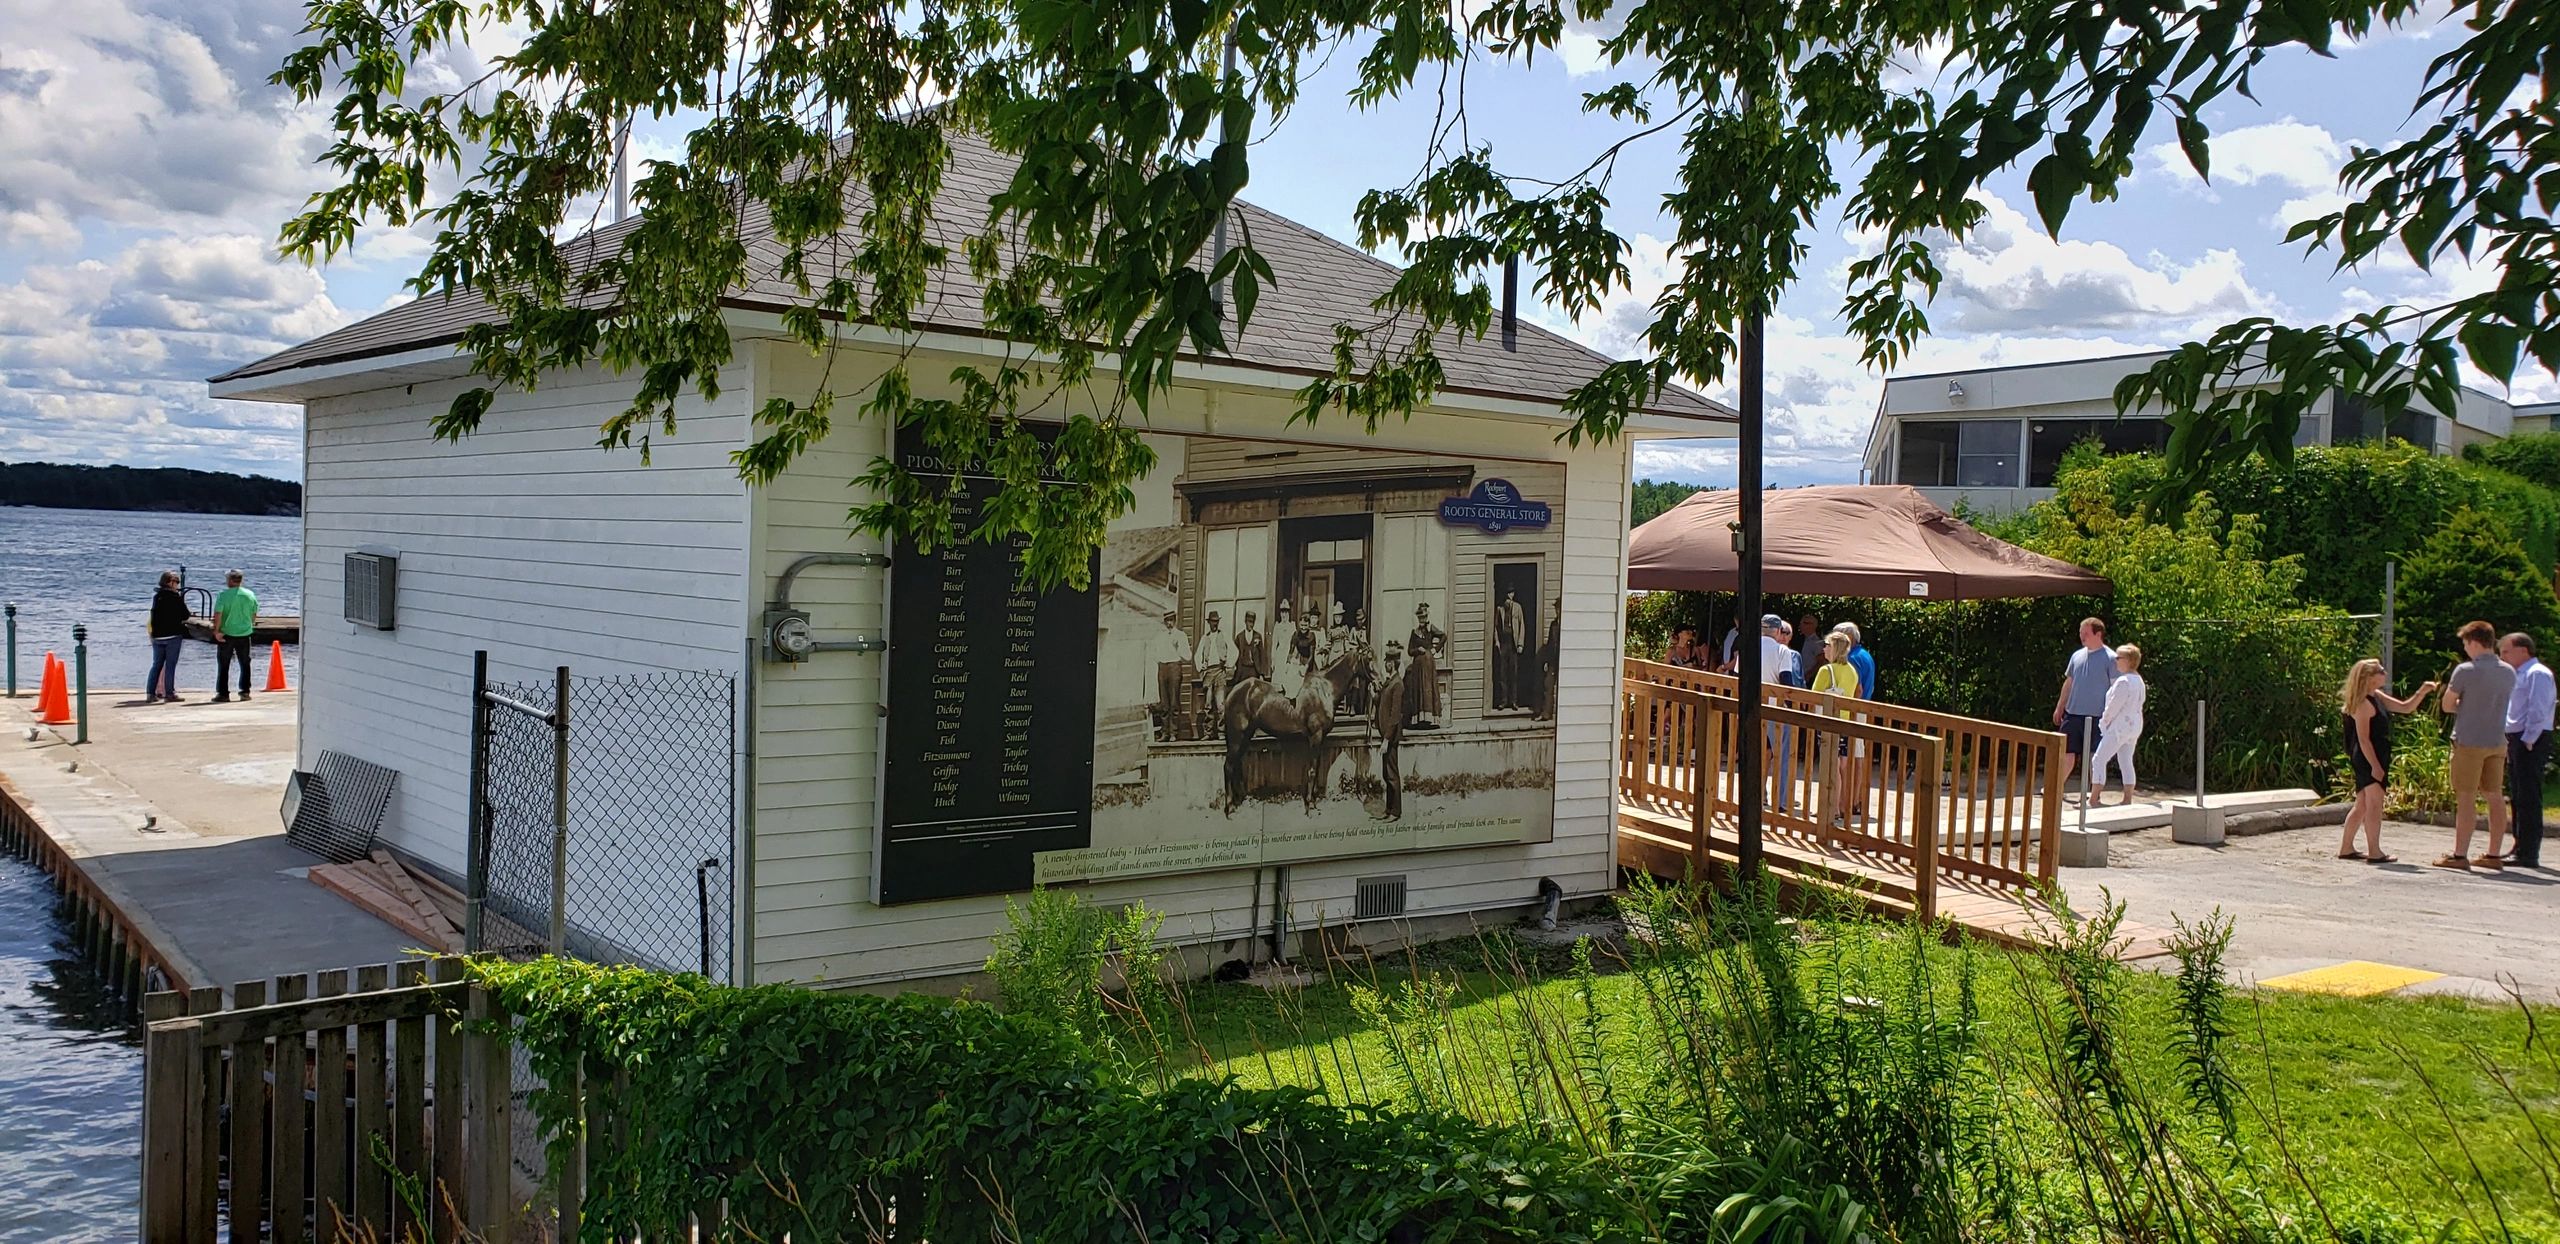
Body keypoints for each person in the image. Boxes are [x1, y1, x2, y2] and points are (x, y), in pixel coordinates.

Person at [2336, 657, 2437, 863]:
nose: (2385, 673)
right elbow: (2363, 740)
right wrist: (2375, 766)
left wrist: (2422, 692)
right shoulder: (2362, 704)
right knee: (2374, 804)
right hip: (2368, 756)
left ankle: (2346, 848)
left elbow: (2405, 708)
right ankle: (2375, 851)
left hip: (2377, 754)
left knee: (2362, 805)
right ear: (2368, 678)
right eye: (2380, 670)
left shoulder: (2376, 696)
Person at [2437, 620, 2515, 871]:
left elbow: (2447, 705)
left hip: (2469, 740)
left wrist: (2465, 705)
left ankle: (2460, 855)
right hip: (2497, 740)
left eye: (2465, 644)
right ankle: (2494, 854)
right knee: (2495, 796)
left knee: (2466, 797)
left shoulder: (2465, 670)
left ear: (2473, 642)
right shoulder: (2508, 671)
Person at [2502, 632, 2553, 869]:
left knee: (2529, 795)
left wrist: (2529, 738)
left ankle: (2529, 852)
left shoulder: (2537, 673)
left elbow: (2538, 708)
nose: (2503, 656)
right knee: (2518, 794)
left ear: (2523, 650)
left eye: (2506, 651)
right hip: (2517, 737)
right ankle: (2519, 845)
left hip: (2529, 738)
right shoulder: (2519, 674)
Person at [2051, 617, 2112, 800]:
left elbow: (2117, 688)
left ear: (2098, 634)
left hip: (2098, 716)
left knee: (2096, 756)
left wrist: (2112, 715)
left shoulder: (2111, 658)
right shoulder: (2076, 656)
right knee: (2067, 753)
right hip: (2073, 714)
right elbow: (2069, 682)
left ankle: (2094, 795)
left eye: (2086, 633)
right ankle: (2055, 789)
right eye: (2080, 633)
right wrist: (2060, 706)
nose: (2082, 636)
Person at [1812, 631, 1864, 825]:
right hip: (1844, 721)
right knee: (1841, 765)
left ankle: (1830, 807)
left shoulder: (1826, 670)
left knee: (1830, 765)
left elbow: (1813, 696)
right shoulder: (1852, 671)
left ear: (1834, 648)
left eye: (1827, 645)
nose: (1824, 648)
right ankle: (1841, 806)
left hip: (1827, 721)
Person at [2089, 645, 2146, 807]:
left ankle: (2094, 798)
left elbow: (2114, 706)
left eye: (2118, 658)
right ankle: (2127, 799)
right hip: (2134, 725)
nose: (2115, 661)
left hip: (2119, 726)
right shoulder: (2139, 680)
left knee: (2099, 759)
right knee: (2126, 760)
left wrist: (2104, 722)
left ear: (2128, 661)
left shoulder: (2124, 681)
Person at [1373, 641, 1408, 821]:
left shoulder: (1397, 684)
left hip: (1391, 737)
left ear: (1393, 663)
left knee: (1392, 774)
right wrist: (1374, 695)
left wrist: (1387, 739)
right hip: (1385, 736)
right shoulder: (1389, 682)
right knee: (1387, 774)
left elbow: (1395, 716)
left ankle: (1396, 812)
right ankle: (1388, 809)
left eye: (1387, 661)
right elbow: (1381, 702)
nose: (1385, 664)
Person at [212, 570, 259, 703]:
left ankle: (223, 693)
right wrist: (249, 624)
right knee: (245, 663)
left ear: (231, 580)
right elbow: (254, 613)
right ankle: (245, 691)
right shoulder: (250, 594)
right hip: (245, 632)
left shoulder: (223, 595)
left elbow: (218, 614)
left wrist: (216, 631)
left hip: (227, 633)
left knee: (224, 664)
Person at [145, 571, 188, 704]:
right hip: (172, 635)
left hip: (157, 636)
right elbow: (185, 615)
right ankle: (169, 693)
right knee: (170, 665)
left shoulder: (157, 597)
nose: (177, 585)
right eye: (176, 582)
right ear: (170, 582)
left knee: (156, 665)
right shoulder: (175, 597)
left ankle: (150, 693)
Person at [1152, 610, 1190, 741]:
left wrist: (1178, 647)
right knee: (1164, 702)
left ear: (1175, 620)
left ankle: (1174, 732)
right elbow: (1154, 653)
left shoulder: (1180, 635)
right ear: (1164, 622)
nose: (1169, 623)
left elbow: (1188, 656)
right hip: (1163, 667)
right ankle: (1165, 732)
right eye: (1167, 621)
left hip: (1174, 667)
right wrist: (1160, 660)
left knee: (1174, 701)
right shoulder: (1159, 636)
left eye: (1171, 620)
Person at [1407, 603, 1445, 729]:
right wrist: (1417, 649)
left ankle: (1430, 719)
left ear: (1427, 617)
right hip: (1417, 666)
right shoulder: (1415, 632)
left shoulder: (1431, 629)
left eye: (1423, 617)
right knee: (1418, 689)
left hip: (1428, 664)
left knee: (1428, 688)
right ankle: (1419, 720)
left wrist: (1435, 649)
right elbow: (1409, 651)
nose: (1422, 619)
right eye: (1420, 617)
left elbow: (1444, 636)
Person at [1194, 610, 1236, 721]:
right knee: (1208, 703)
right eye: (1213, 621)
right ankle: (1209, 729)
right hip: (1208, 672)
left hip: (1220, 671)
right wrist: (1200, 666)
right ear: (1209, 622)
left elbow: (1234, 650)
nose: (1215, 624)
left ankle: (1221, 728)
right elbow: (1197, 655)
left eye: (1216, 621)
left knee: (1220, 703)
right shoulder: (1205, 638)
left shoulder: (1224, 635)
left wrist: (1229, 663)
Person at [1493, 589, 1525, 709]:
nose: (1509, 597)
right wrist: (1497, 641)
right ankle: (1504, 701)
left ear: (1513, 595)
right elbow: (1496, 627)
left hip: (1513, 645)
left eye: (1511, 593)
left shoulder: (1517, 608)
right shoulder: (1500, 609)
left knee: (1514, 674)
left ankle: (1514, 701)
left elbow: (1522, 626)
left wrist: (1520, 644)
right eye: (1507, 594)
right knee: (1503, 674)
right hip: (1503, 645)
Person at [1539, 601, 1562, 720]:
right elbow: (1549, 644)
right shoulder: (1553, 625)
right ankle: (1547, 714)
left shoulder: (1568, 625)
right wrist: (1547, 661)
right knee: (1548, 685)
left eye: (1559, 608)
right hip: (1553, 660)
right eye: (1556, 609)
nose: (1557, 611)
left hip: (1564, 662)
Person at [1233, 609, 1269, 684]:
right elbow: (1234, 654)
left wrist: (1261, 673)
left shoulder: (1258, 636)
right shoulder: (1239, 637)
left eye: (1252, 622)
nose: (1251, 625)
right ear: (1245, 622)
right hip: (1242, 670)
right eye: (1249, 622)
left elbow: (1262, 655)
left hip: (1254, 670)